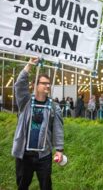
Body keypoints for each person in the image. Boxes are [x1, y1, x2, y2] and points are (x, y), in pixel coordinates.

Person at [12, 57, 64, 190]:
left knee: (46, 186)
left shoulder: (54, 106)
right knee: (22, 185)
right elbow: (19, 84)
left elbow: (58, 129)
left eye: (48, 83)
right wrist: (29, 64)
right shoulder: (25, 102)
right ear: (36, 85)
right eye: (44, 83)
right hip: (24, 154)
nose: (47, 85)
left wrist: (59, 150)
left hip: (44, 155)